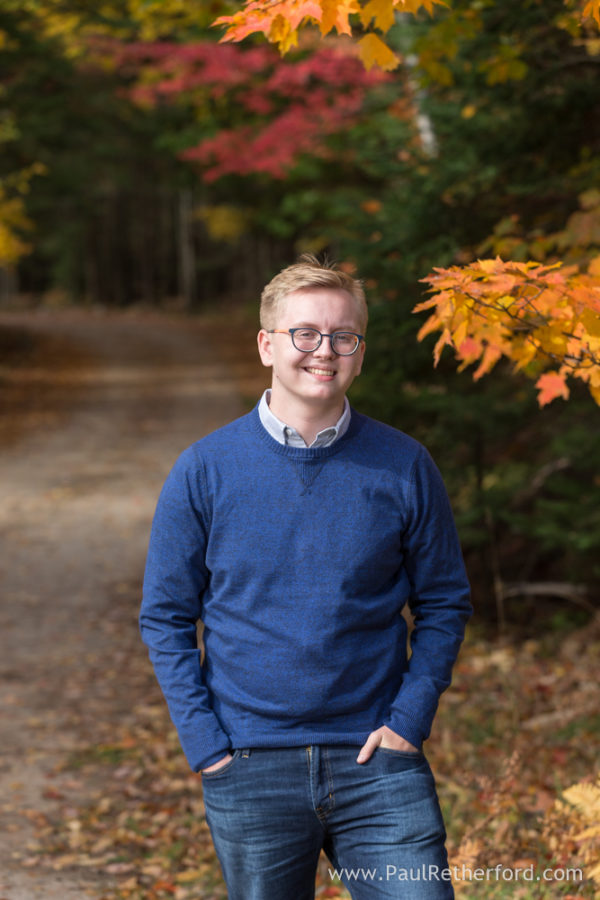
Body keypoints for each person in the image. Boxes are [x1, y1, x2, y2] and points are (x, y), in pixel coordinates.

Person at [140, 254, 472, 900]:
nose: (325, 350)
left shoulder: (405, 466)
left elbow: (444, 602)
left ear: (360, 349)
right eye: (305, 334)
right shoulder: (204, 470)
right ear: (267, 344)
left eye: (343, 336)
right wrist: (207, 744)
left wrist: (410, 719)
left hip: (378, 761)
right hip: (250, 763)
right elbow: (166, 616)